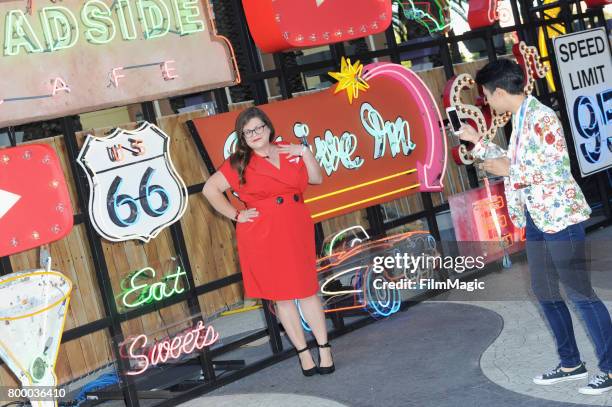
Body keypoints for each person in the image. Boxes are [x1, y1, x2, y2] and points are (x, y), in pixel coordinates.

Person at [458, 59, 611, 395]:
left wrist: (507, 169)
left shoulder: (541, 117)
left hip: (560, 217)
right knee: (544, 291)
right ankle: (571, 363)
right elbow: (517, 163)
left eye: (486, 96)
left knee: (581, 295)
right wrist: (477, 142)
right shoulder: (522, 117)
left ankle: (610, 368)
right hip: (538, 217)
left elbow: (556, 169)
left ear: (499, 91)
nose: (486, 101)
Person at [202, 107, 335, 376]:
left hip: (295, 225)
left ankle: (324, 348)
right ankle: (303, 354)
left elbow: (316, 178)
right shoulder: (238, 162)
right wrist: (236, 214)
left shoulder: (290, 150)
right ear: (242, 136)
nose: (254, 134)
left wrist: (305, 152)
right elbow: (210, 189)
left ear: (268, 128)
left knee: (307, 290)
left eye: (258, 128)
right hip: (263, 233)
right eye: (247, 131)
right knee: (282, 298)